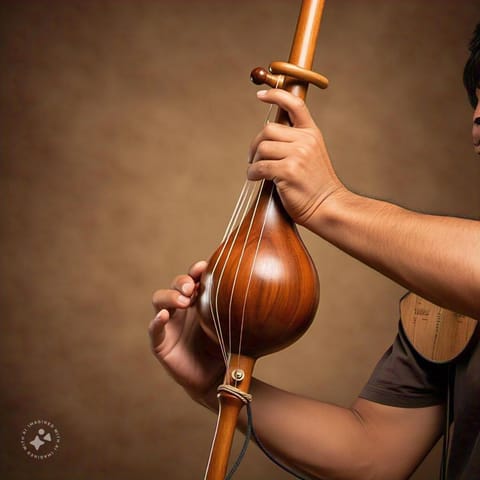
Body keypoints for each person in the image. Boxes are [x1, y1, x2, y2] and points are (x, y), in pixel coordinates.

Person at [150, 23, 480, 480]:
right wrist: (217, 383)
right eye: (478, 103)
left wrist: (329, 203)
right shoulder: (443, 294)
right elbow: (374, 455)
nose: (477, 121)